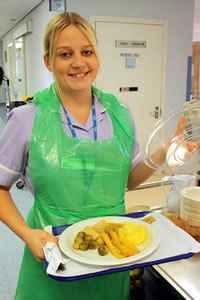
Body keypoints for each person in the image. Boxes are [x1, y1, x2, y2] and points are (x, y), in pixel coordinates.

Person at [0, 12, 167, 300]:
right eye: (65, 54)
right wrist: (28, 234)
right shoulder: (27, 118)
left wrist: (166, 153)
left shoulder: (119, 113)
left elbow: (130, 179)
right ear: (48, 61)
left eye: (86, 51)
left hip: (110, 257)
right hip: (53, 256)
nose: (78, 62)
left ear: (96, 55)